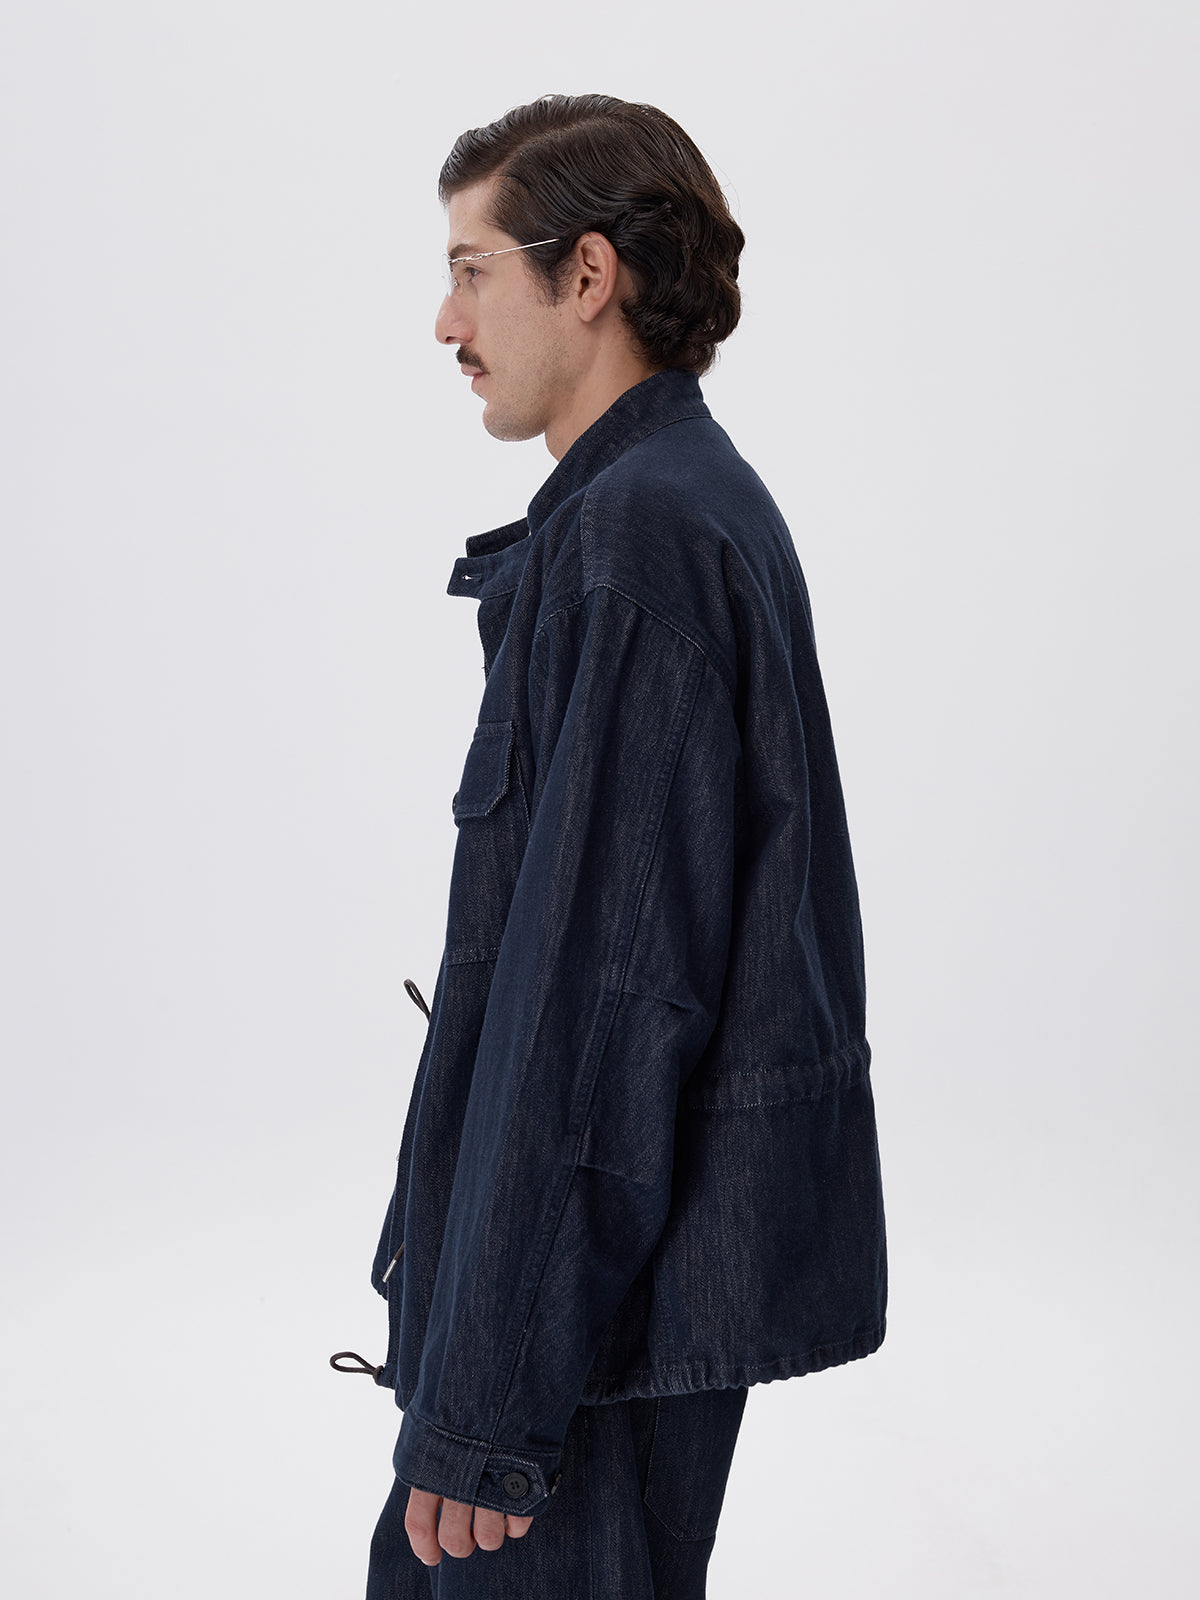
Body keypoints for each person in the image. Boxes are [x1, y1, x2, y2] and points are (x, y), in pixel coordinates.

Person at [332, 93, 888, 1599]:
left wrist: (487, 1409)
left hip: (581, 1344)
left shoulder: (640, 543)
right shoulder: (660, 512)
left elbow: (601, 1010)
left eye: (472, 271)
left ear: (587, 275)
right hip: (580, 1318)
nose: (446, 323)